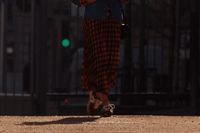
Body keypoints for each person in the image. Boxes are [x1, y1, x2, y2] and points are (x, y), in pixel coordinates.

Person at [80, 0, 128, 117]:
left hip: (114, 17)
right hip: (95, 17)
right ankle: (105, 101)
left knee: (111, 61)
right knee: (99, 57)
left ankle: (96, 95)